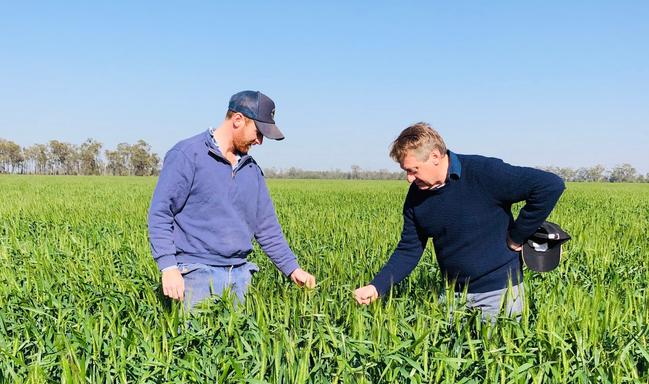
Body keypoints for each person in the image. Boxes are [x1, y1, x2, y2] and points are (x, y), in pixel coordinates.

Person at [353, 123, 565, 319]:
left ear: (435, 156)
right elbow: (409, 249)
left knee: (498, 357)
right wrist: (376, 287)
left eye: (413, 170)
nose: (409, 178)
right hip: (453, 297)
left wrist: (518, 236)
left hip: (499, 295)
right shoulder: (416, 196)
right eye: (406, 171)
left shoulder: (484, 172)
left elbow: (549, 185)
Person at [148, 90, 315, 309]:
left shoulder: (251, 170)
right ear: (238, 119)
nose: (260, 141)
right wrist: (168, 268)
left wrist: (293, 268)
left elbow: (266, 227)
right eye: (258, 131)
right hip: (196, 275)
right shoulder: (188, 155)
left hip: (240, 276)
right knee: (196, 342)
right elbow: (161, 213)